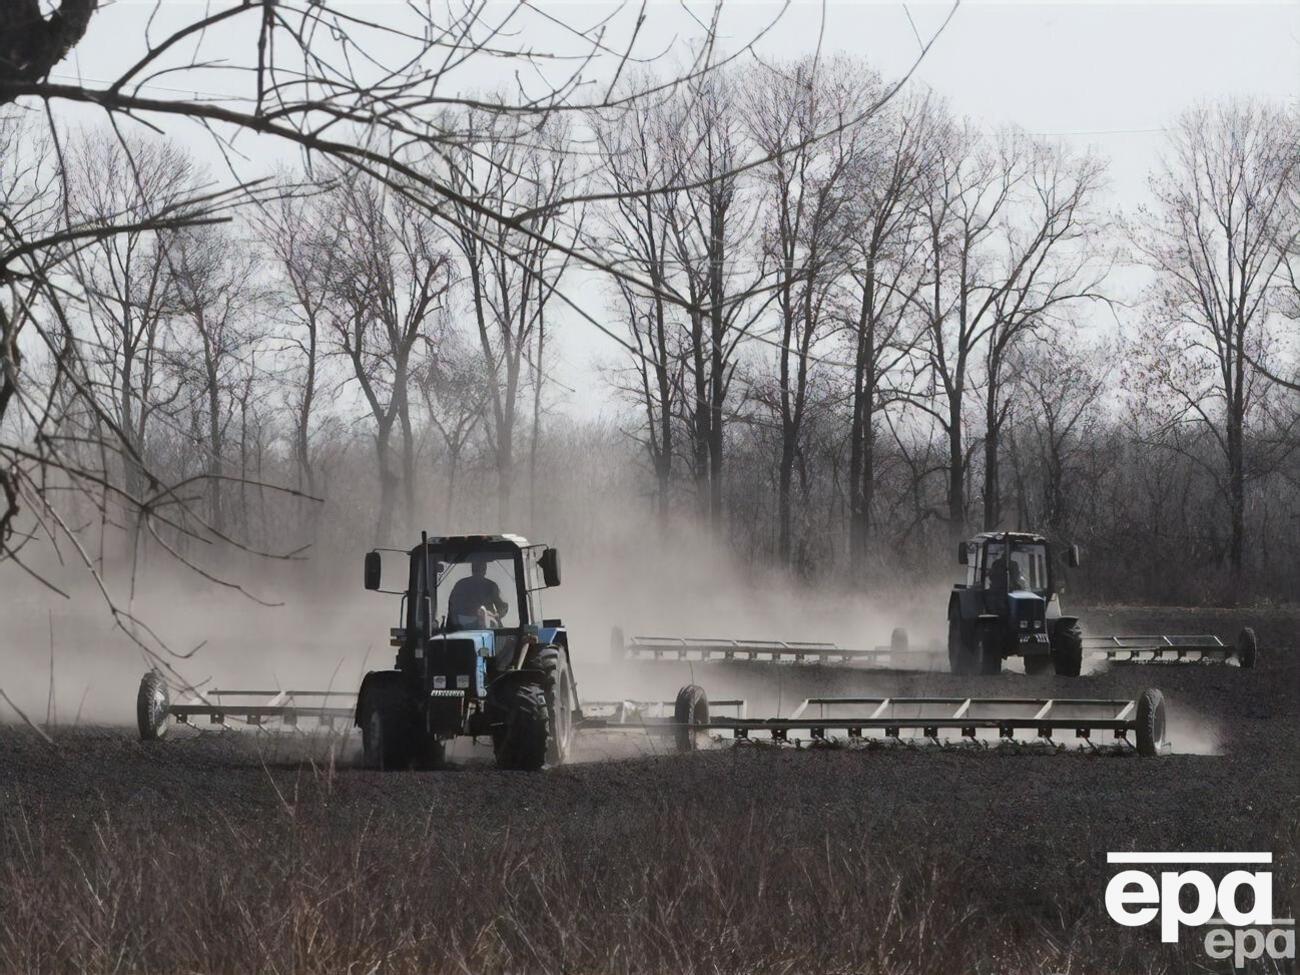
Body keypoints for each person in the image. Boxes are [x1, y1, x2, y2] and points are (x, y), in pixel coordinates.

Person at [447, 558, 509, 628]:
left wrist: (495, 615)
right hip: (465, 628)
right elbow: (452, 609)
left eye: (481, 567)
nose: (479, 570)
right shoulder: (461, 585)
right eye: (477, 568)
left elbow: (503, 606)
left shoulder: (491, 586)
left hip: (488, 627)